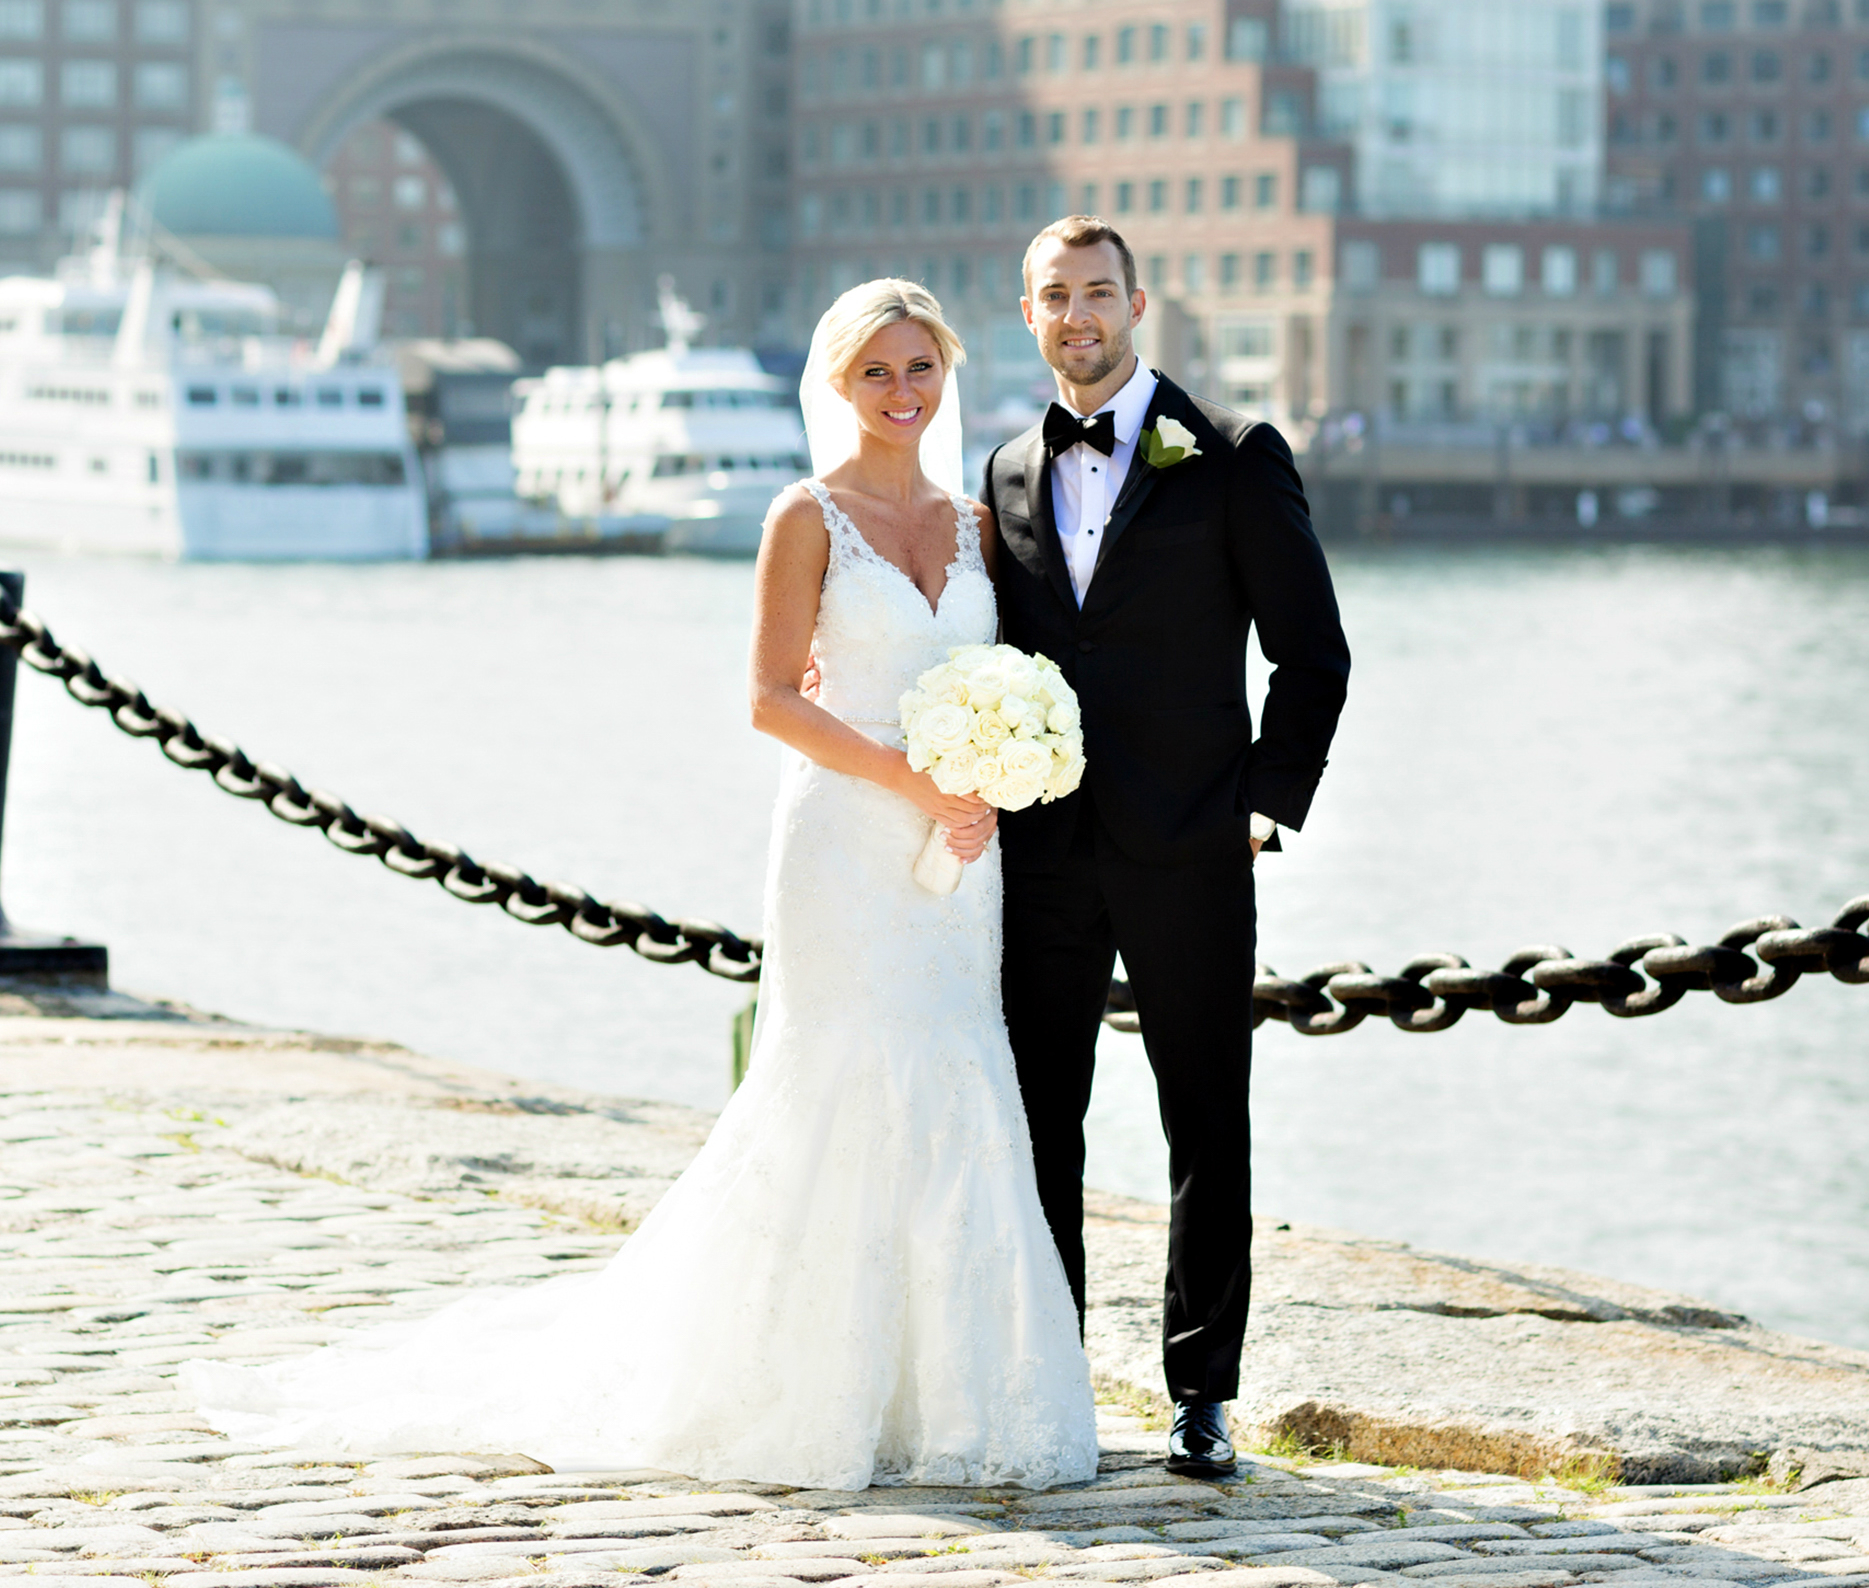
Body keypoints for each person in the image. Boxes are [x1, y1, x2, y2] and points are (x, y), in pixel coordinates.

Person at [184, 278, 1099, 1491]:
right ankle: (794, 1383)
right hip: (844, 838)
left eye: (919, 368)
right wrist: (907, 778)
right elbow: (770, 697)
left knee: (958, 1072)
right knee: (836, 1077)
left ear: (947, 373)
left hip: (955, 859)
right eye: (875, 372)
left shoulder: (977, 520)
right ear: (837, 386)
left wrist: (985, 778)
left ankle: (943, 1399)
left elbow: (988, 675)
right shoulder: (805, 515)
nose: (900, 392)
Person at [982, 215, 1349, 1479]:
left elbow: (1314, 655)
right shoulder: (1005, 469)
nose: (1076, 316)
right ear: (1026, 314)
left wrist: (1265, 807)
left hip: (1195, 844)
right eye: (1052, 297)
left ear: (1137, 302)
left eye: (1097, 293)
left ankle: (1203, 1393)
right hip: (1041, 852)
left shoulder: (1237, 456)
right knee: (1041, 1118)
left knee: (1207, 1118)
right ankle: (1050, 1378)